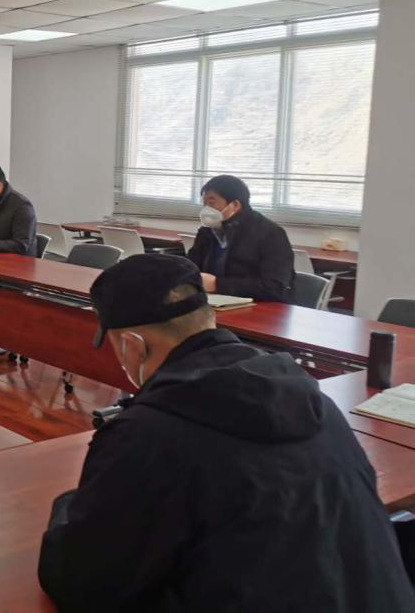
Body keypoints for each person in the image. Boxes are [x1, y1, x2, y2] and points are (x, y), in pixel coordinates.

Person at [37, 254, 415, 613]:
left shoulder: (148, 434)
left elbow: (81, 581)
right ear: (210, 319)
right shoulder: (315, 400)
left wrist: (69, 505)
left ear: (132, 346)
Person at [187, 174, 294, 302]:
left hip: (257, 306)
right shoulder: (208, 230)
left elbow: (274, 287)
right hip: (210, 301)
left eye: (211, 203)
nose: (206, 209)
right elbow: (190, 267)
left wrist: (217, 284)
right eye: (204, 204)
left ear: (235, 205)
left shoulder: (271, 234)